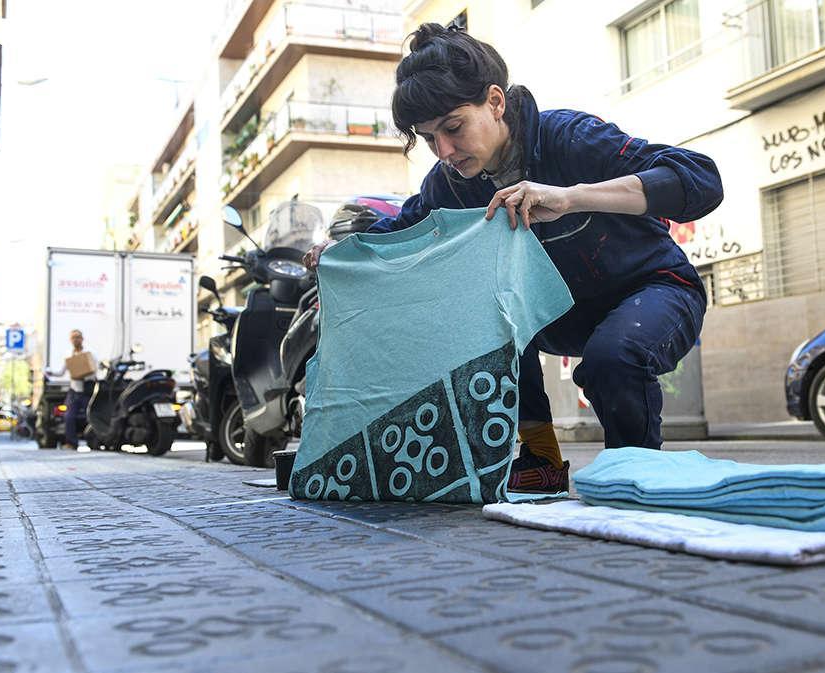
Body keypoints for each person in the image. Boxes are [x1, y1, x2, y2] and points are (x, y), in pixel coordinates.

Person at [305, 23, 723, 493]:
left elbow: (700, 179)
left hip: (657, 290)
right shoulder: (449, 184)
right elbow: (404, 229)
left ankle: (635, 471)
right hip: (561, 315)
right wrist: (341, 255)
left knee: (612, 359)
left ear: (496, 102)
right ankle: (541, 458)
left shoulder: (570, 136)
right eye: (428, 139)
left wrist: (569, 197)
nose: (443, 151)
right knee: (485, 311)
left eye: (453, 128)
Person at [46, 329, 95, 450]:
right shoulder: (69, 355)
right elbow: (62, 372)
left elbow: (94, 370)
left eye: (78, 337)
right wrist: (50, 373)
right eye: (73, 337)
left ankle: (93, 441)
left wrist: (84, 373)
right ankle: (72, 443)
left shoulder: (89, 354)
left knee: (92, 416)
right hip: (74, 391)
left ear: (82, 339)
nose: (76, 340)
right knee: (69, 416)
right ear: (70, 340)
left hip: (87, 390)